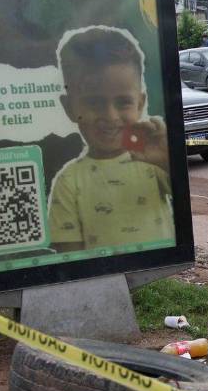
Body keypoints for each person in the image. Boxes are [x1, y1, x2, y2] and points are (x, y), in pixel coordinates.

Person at [48, 27, 174, 252]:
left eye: (123, 102)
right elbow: (69, 260)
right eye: (94, 103)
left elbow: (187, 199)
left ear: (140, 103)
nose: (110, 116)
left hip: (158, 284)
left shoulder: (155, 162)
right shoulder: (68, 182)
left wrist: (167, 158)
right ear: (69, 107)